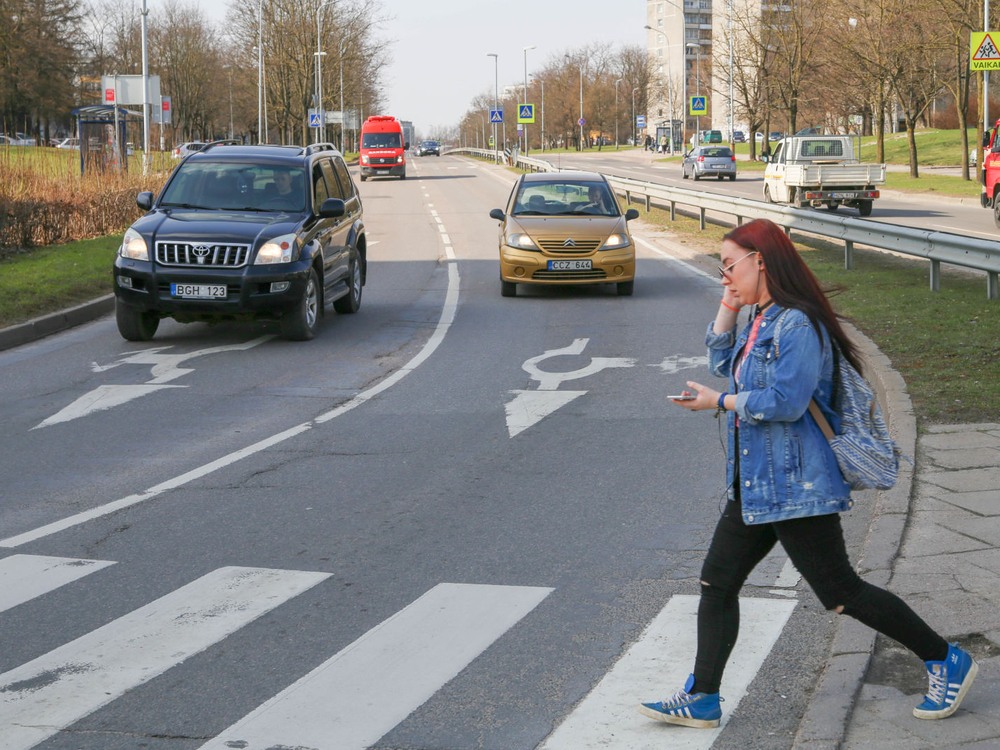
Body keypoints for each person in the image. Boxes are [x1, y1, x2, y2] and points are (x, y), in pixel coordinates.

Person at [638, 218, 978, 729]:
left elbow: (786, 401)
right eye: (721, 268)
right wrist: (728, 307)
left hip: (797, 486)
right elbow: (721, 363)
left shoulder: (798, 324)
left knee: (841, 593)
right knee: (717, 582)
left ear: (762, 261)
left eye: (730, 265)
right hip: (755, 485)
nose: (724, 274)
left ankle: (944, 658)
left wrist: (721, 402)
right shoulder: (762, 317)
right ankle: (703, 696)